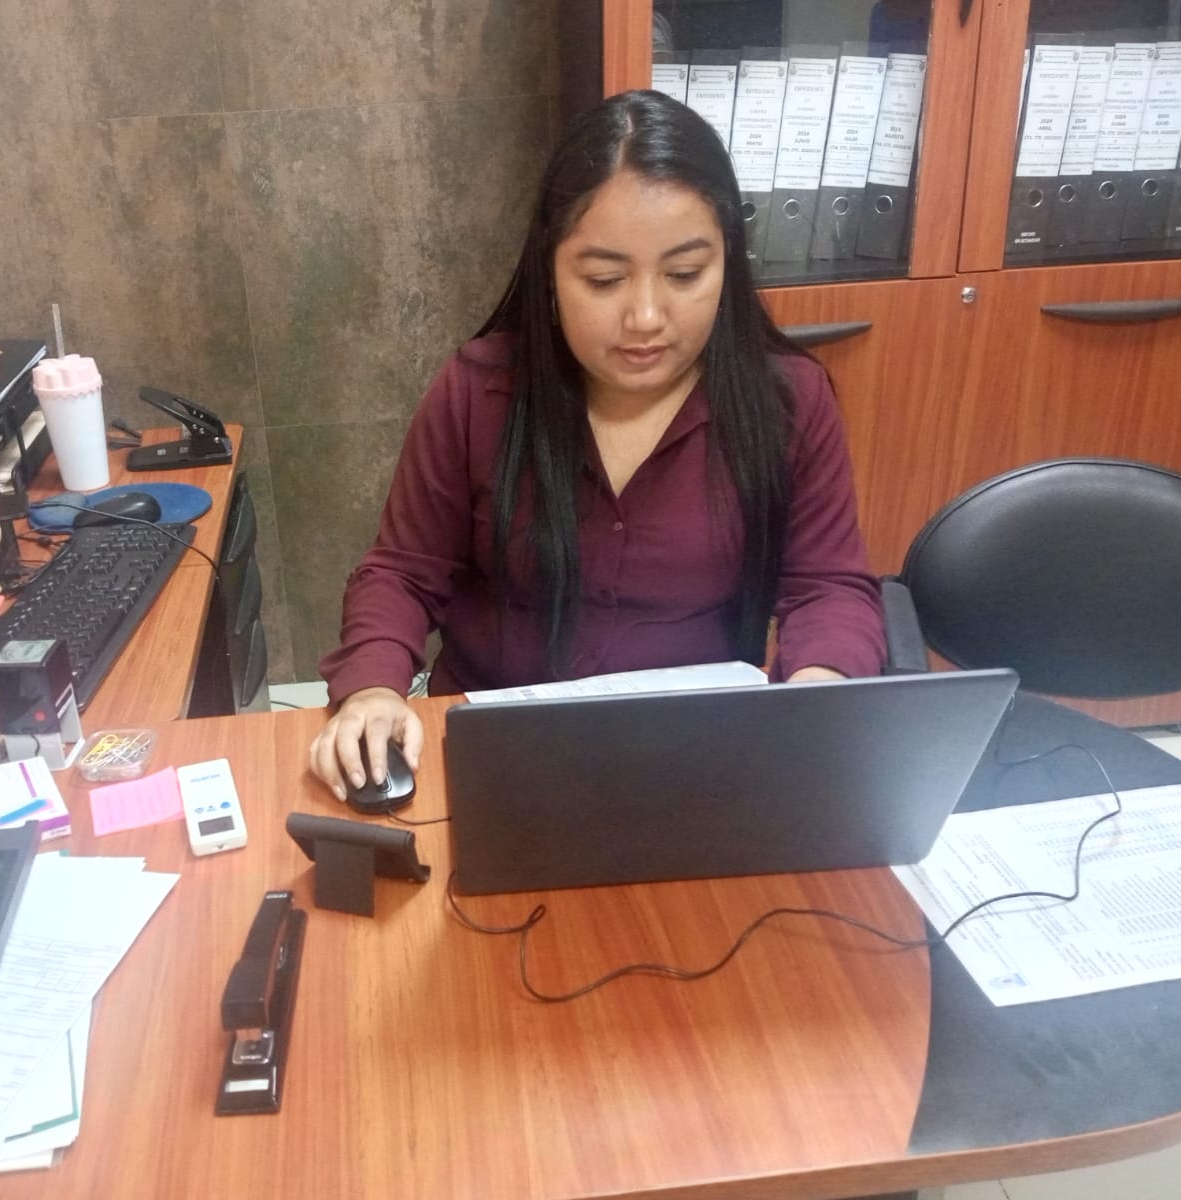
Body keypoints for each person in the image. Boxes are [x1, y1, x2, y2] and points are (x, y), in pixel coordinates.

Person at [308, 90, 886, 801]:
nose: (645, 316)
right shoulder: (477, 393)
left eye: (685, 274)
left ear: (728, 263)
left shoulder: (788, 402)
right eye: (604, 279)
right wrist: (372, 688)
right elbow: (401, 573)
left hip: (700, 760)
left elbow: (828, 587)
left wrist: (820, 688)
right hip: (498, 758)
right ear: (550, 271)